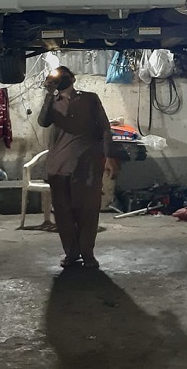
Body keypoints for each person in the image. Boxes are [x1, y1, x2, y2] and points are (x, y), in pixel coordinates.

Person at [38, 65, 117, 269]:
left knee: (88, 209)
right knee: (63, 211)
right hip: (59, 165)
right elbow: (43, 122)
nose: (59, 81)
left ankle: (87, 253)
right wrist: (49, 95)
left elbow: (105, 128)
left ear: (72, 79)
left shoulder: (90, 99)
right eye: (55, 78)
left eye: (62, 77)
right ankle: (71, 253)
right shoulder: (53, 102)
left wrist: (109, 157)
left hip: (88, 163)